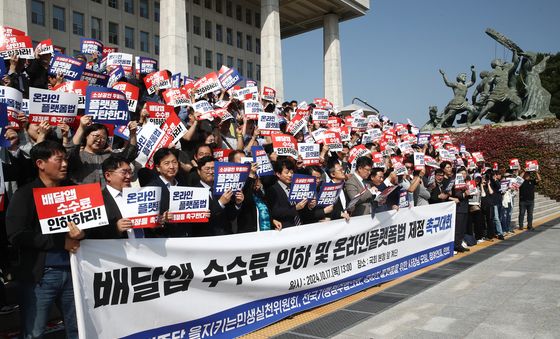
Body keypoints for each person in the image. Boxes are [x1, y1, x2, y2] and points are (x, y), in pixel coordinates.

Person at [6, 141, 84, 339]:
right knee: (34, 332)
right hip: (40, 277)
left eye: (65, 159)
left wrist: (82, 234)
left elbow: (94, 223)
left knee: (79, 329)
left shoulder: (76, 192)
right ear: (40, 163)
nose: (65, 164)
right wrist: (59, 243)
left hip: (75, 271)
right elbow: (16, 235)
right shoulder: (25, 195)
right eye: (58, 159)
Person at [67, 116, 138, 185]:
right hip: (84, 195)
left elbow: (129, 154)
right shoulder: (78, 156)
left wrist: (133, 133)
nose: (99, 140)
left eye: (103, 138)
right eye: (96, 136)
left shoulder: (110, 157)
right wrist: (81, 127)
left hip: (105, 196)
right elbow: (71, 151)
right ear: (86, 136)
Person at [192, 156, 244, 236]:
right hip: (206, 238)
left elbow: (230, 216)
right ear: (199, 171)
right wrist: (220, 203)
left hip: (226, 236)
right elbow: (199, 220)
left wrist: (238, 204)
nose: (211, 172)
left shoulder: (223, 188)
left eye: (213, 169)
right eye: (207, 169)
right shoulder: (194, 191)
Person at [266, 157, 313, 228]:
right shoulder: (272, 189)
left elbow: (302, 209)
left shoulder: (296, 187)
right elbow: (275, 212)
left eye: (291, 172)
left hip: (301, 226)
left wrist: (309, 206)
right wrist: (295, 208)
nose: (290, 175)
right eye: (287, 173)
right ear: (278, 174)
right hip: (285, 228)